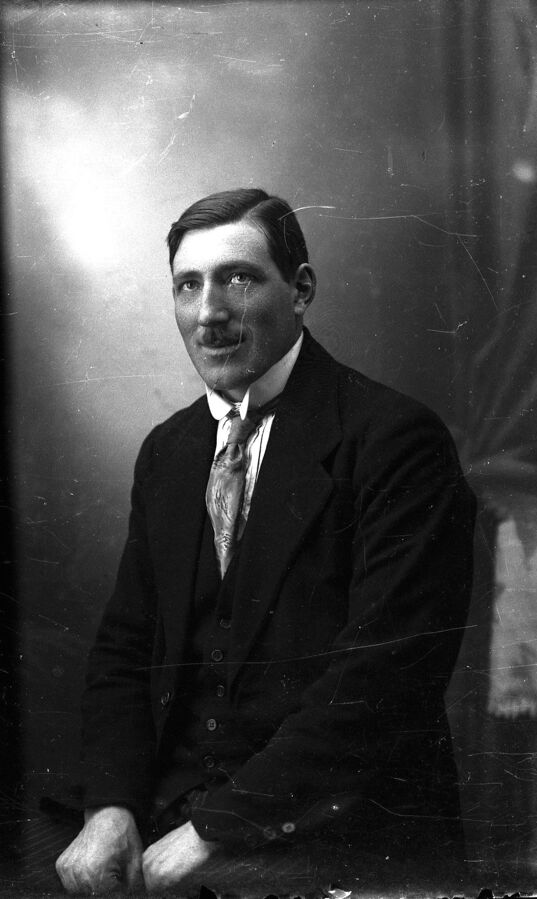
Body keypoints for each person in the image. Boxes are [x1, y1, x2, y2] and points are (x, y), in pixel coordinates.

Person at [55, 188, 476, 896]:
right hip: (168, 815)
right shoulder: (168, 450)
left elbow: (384, 679)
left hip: (338, 834)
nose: (209, 312)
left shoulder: (394, 439)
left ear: (301, 289)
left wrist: (217, 829)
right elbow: (126, 651)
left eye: (238, 279)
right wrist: (111, 807)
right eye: (188, 285)